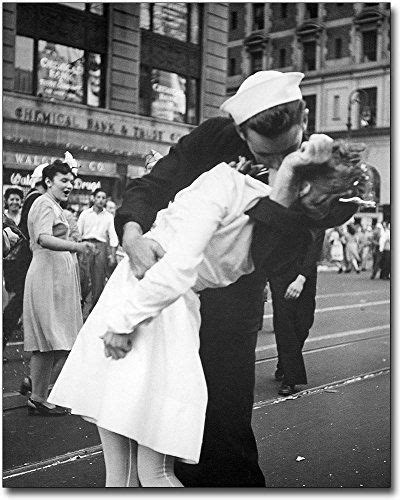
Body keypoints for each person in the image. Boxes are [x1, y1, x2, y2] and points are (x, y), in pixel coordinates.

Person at [49, 136, 369, 487]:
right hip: (165, 310)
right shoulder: (277, 229)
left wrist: (124, 321)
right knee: (142, 472)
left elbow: (178, 266)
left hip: (147, 302)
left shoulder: (230, 185)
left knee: (140, 473)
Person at [22, 160, 96, 416]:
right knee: (51, 338)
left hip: (56, 277)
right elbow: (43, 237)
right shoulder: (43, 202)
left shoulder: (54, 205)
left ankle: (38, 393)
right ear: (49, 181)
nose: (69, 185)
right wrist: (76, 247)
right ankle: (38, 395)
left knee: (54, 340)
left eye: (71, 181)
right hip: (47, 276)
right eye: (63, 180)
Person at [3, 169, 46, 351]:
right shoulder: (35, 198)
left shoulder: (31, 200)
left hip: (24, 260)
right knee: (17, 301)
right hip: (21, 261)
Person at [77, 188, 119, 310]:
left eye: (103, 198)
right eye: (98, 197)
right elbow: (78, 233)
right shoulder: (85, 214)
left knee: (98, 280)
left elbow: (113, 237)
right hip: (86, 245)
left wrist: (112, 255)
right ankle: (79, 306)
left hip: (101, 247)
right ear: (93, 198)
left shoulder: (108, 217)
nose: (101, 200)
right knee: (83, 278)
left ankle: (93, 311)